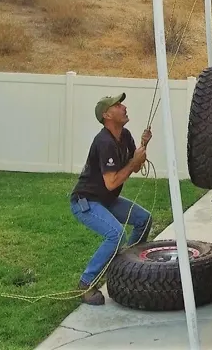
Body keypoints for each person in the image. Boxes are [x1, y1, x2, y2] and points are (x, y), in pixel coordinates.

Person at [69, 92, 153, 305]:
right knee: (116, 234)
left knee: (144, 220)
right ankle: (86, 283)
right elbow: (112, 182)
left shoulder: (124, 135)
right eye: (118, 105)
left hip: (106, 200)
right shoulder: (104, 142)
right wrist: (134, 163)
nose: (124, 107)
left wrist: (143, 146)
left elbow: (136, 166)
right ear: (107, 114)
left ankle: (124, 266)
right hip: (86, 202)